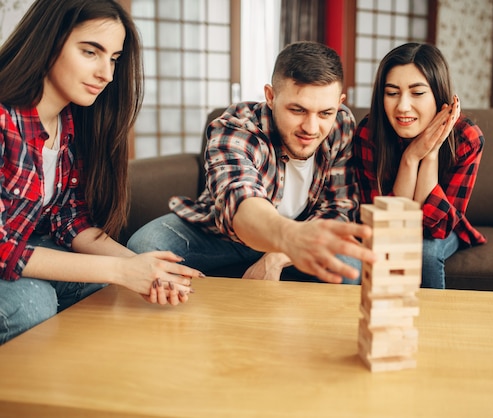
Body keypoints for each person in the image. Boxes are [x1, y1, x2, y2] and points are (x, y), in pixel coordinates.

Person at [0, 0, 203, 345]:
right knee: (33, 304)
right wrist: (122, 270)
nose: (106, 75)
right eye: (90, 52)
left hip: (24, 247)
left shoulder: (68, 124)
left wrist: (145, 268)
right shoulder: (5, 120)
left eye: (113, 59)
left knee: (97, 283)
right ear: (48, 41)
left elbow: (70, 222)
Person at [128, 41, 375, 285]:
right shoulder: (237, 126)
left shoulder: (341, 124)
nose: (311, 128)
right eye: (298, 110)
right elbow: (241, 199)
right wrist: (288, 238)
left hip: (303, 232)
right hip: (227, 234)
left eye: (325, 113)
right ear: (270, 96)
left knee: (351, 267)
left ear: (339, 102)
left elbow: (339, 207)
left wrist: (278, 256)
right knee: (145, 246)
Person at [352, 42, 486, 289]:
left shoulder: (467, 138)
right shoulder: (368, 133)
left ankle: (436, 327)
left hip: (444, 227)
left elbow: (436, 228)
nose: (403, 106)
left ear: (439, 95)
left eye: (417, 93)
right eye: (392, 93)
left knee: (424, 251)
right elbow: (390, 227)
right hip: (391, 228)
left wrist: (431, 153)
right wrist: (410, 158)